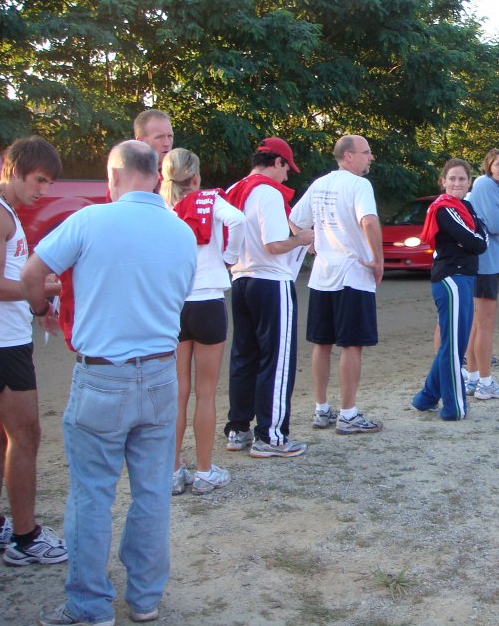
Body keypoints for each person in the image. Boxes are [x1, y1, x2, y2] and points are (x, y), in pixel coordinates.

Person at [23, 140, 196, 626]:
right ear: (154, 175)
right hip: (161, 373)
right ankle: (145, 598)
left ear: (114, 175)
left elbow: (33, 272)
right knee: (152, 492)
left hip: (103, 375)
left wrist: (44, 312)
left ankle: (89, 605)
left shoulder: (90, 220)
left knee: (92, 493)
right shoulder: (179, 231)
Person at [160, 148, 245, 495]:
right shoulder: (210, 199)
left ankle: (173, 470)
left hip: (173, 302)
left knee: (177, 392)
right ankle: (205, 470)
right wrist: (229, 256)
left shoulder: (161, 204)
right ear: (195, 177)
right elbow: (238, 220)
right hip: (208, 298)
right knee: (205, 392)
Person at [0, 137, 66, 567]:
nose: (43, 190)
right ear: (13, 169)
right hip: (5, 346)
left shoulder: (8, 214)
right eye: (39, 180)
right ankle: (26, 537)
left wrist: (39, 302)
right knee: (26, 436)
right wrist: (45, 290)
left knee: (8, 437)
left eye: (48, 182)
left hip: (9, 340)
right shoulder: (1, 216)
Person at [223, 137, 313, 456]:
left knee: (244, 357)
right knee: (277, 360)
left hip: (241, 278)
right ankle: (271, 436)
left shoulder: (236, 189)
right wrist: (302, 238)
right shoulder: (268, 192)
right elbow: (275, 244)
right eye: (287, 168)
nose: (288, 176)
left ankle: (238, 428)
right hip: (270, 280)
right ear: (277, 162)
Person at [290, 134, 384, 435]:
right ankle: (348, 413)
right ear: (348, 156)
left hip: (322, 275)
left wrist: (310, 243)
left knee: (322, 342)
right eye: (366, 152)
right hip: (352, 274)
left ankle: (321, 409)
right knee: (351, 344)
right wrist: (378, 260)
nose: (370, 158)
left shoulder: (320, 184)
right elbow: (369, 221)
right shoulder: (359, 185)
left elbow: (294, 218)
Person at [410, 159, 488, 420]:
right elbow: (473, 240)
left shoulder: (465, 206)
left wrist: (474, 239)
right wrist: (474, 239)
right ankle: (454, 407)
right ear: (443, 181)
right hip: (451, 280)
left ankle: (426, 398)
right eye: (452, 178)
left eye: (462, 179)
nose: (457, 183)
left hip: (464, 277)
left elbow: (481, 238)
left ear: (469, 182)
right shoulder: (443, 209)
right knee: (455, 346)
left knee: (453, 343)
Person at [464, 149, 499, 400]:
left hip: (491, 261)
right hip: (484, 262)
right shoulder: (485, 184)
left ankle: (473, 377)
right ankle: (485, 382)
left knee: (479, 323)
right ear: (489, 165)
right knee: (484, 324)